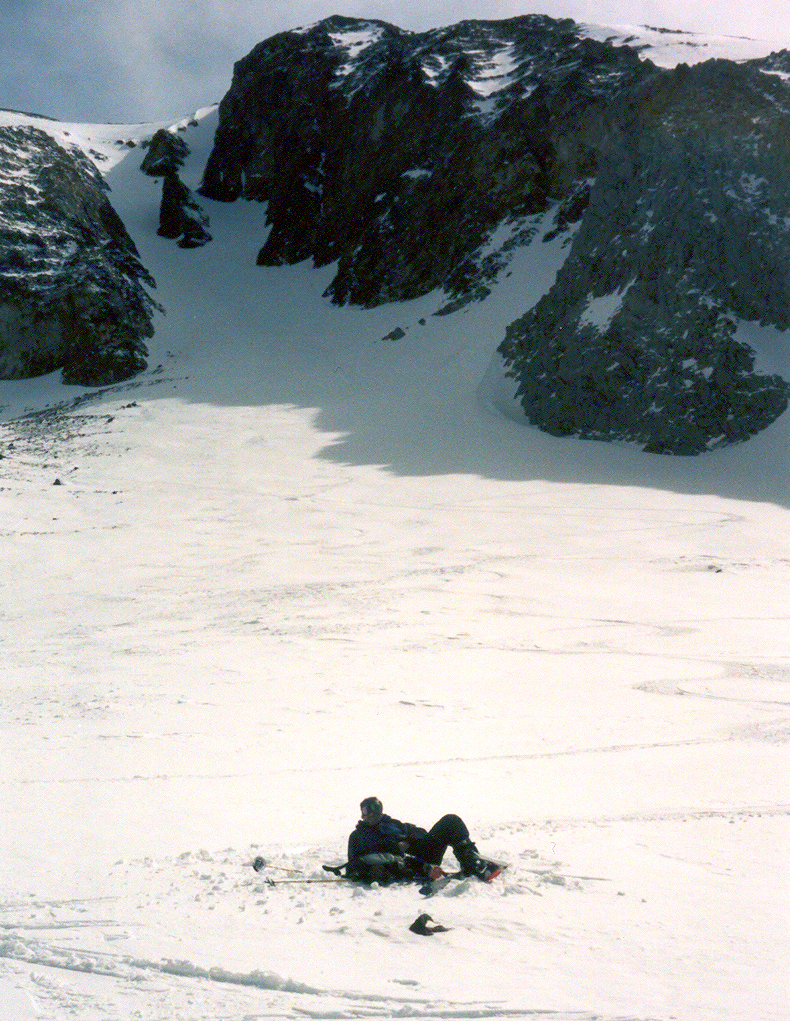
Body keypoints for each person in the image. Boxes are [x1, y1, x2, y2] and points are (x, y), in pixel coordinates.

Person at [347, 796, 500, 882]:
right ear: (362, 814)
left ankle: (473, 864)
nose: (372, 814)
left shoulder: (393, 824)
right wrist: (423, 869)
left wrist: (409, 842)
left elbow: (420, 832)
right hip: (406, 864)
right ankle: (477, 870)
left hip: (422, 850)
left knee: (451, 821)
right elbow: (355, 864)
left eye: (376, 809)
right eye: (367, 810)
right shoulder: (358, 836)